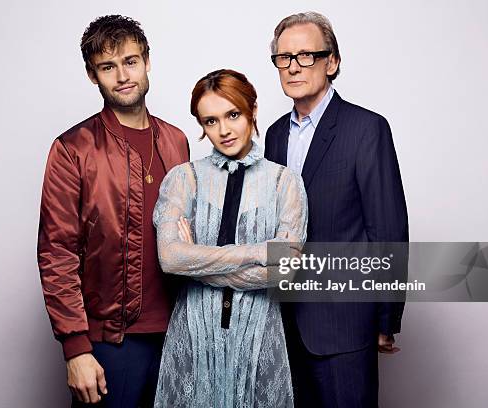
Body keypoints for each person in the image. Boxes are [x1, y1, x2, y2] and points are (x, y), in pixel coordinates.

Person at [37, 15, 189, 407]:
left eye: (130, 61)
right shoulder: (74, 149)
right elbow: (56, 251)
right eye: (108, 66)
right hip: (110, 345)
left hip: (179, 337)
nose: (122, 75)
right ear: (93, 75)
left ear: (147, 61)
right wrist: (75, 348)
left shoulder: (176, 141)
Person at [264, 12, 409, 408]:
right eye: (284, 57)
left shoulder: (366, 128)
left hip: (345, 325)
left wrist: (385, 318)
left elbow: (388, 230)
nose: (293, 66)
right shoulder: (275, 135)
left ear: (332, 62)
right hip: (283, 325)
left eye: (307, 55)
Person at [152, 69, 307, 407]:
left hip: (259, 336)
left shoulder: (285, 182)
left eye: (232, 115)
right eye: (210, 121)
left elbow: (285, 272)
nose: (223, 130)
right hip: (193, 336)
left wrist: (196, 262)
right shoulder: (184, 178)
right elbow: (170, 258)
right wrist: (258, 251)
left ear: (252, 110)